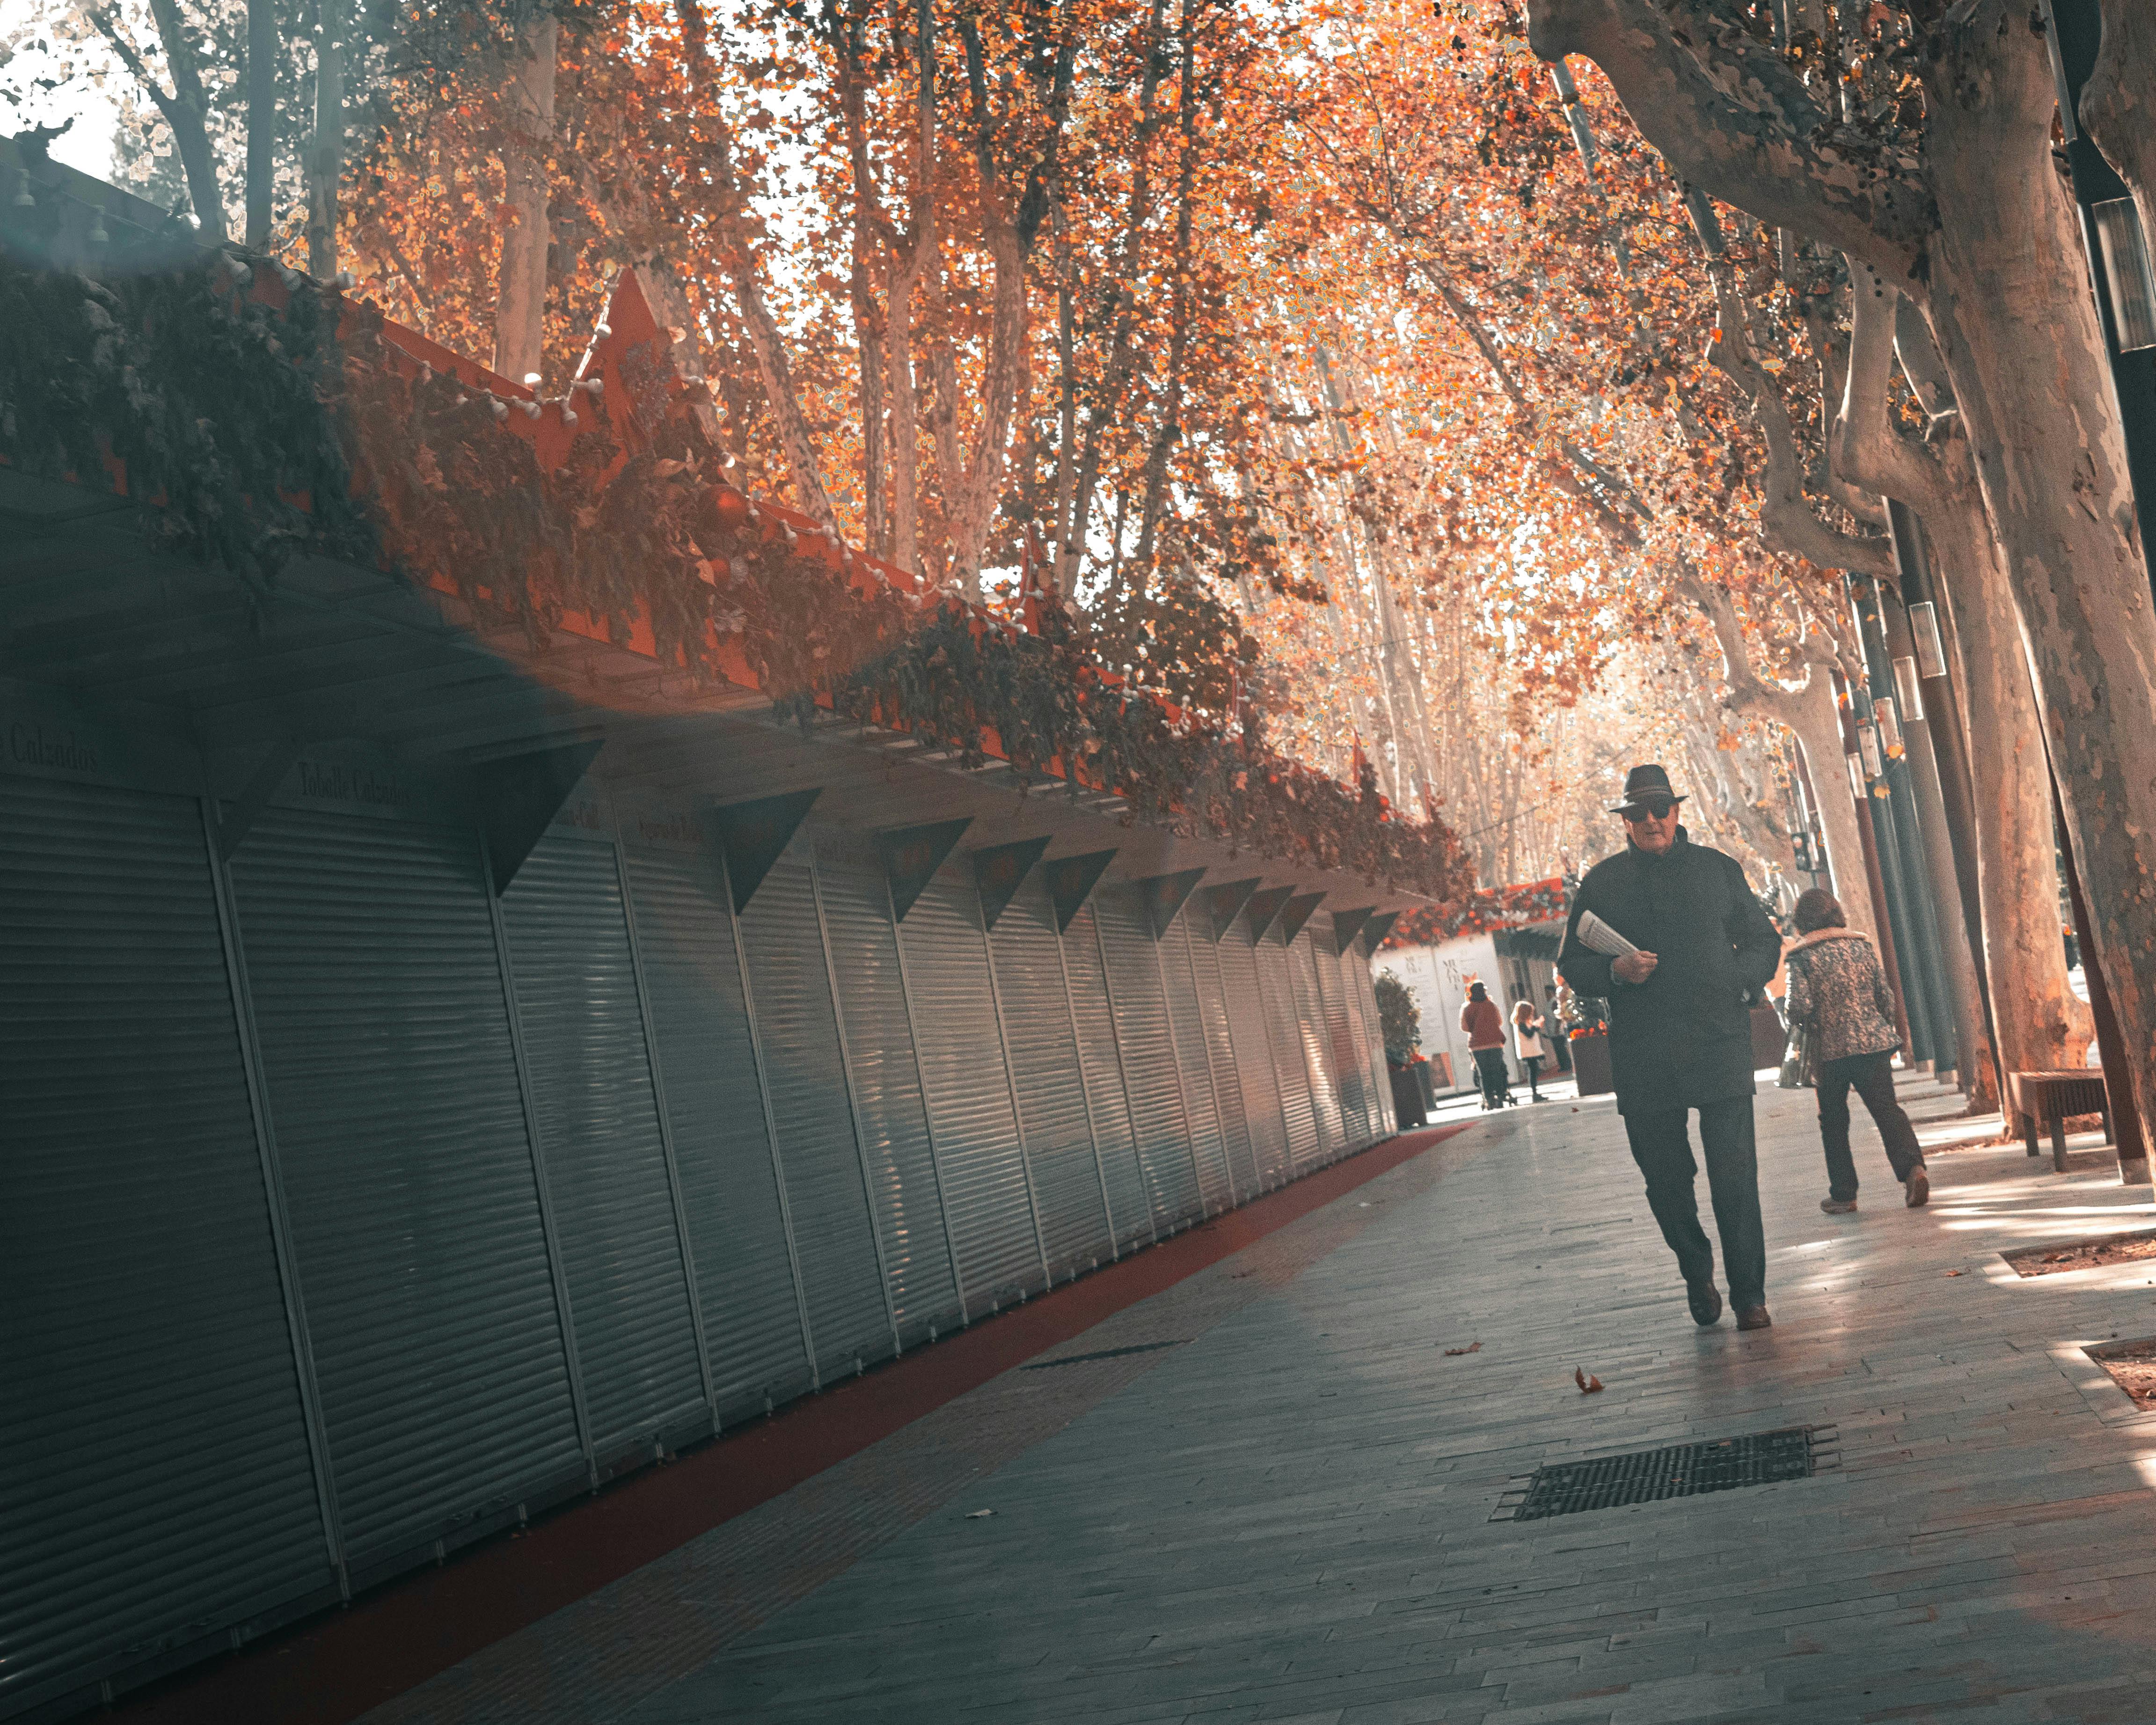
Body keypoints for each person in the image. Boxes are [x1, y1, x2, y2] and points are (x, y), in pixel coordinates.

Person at [1558, 765, 1784, 1333]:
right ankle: (1694, 1265)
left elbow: (1763, 938)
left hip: (1718, 1041)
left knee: (1734, 1174)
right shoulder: (1602, 883)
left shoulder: (1716, 869)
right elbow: (1570, 964)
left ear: (1677, 811)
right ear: (1625, 821)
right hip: (1644, 1055)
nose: (1651, 819)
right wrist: (1613, 969)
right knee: (1664, 1178)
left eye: (1660, 807)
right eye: (1638, 812)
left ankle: (1750, 1297)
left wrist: (1739, 980)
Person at [1784, 888, 1929, 1213]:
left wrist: (1795, 1022)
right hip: (1872, 1045)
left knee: (1833, 1121)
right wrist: (1879, 1029)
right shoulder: (1860, 946)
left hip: (1829, 1053)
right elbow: (1885, 997)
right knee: (1887, 1110)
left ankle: (1844, 1194)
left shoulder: (1801, 957)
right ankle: (1912, 1169)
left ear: (1801, 921)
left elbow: (1798, 1007)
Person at [1460, 979, 1513, 1109]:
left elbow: (1465, 1027)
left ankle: (1489, 1099)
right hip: (1495, 1043)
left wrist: (1477, 1028)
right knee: (1496, 1071)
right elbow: (1499, 1022)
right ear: (1484, 991)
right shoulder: (1491, 1005)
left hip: (1477, 1045)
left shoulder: (1467, 1008)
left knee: (1484, 1074)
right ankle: (1501, 1097)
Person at [1512, 998, 1549, 1101]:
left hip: (1530, 1051)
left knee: (1534, 1071)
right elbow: (1529, 1034)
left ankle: (1535, 1093)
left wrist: (1536, 1026)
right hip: (1528, 1052)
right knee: (1533, 1072)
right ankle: (1534, 1093)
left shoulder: (1524, 1023)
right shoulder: (1521, 1024)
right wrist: (1535, 1027)